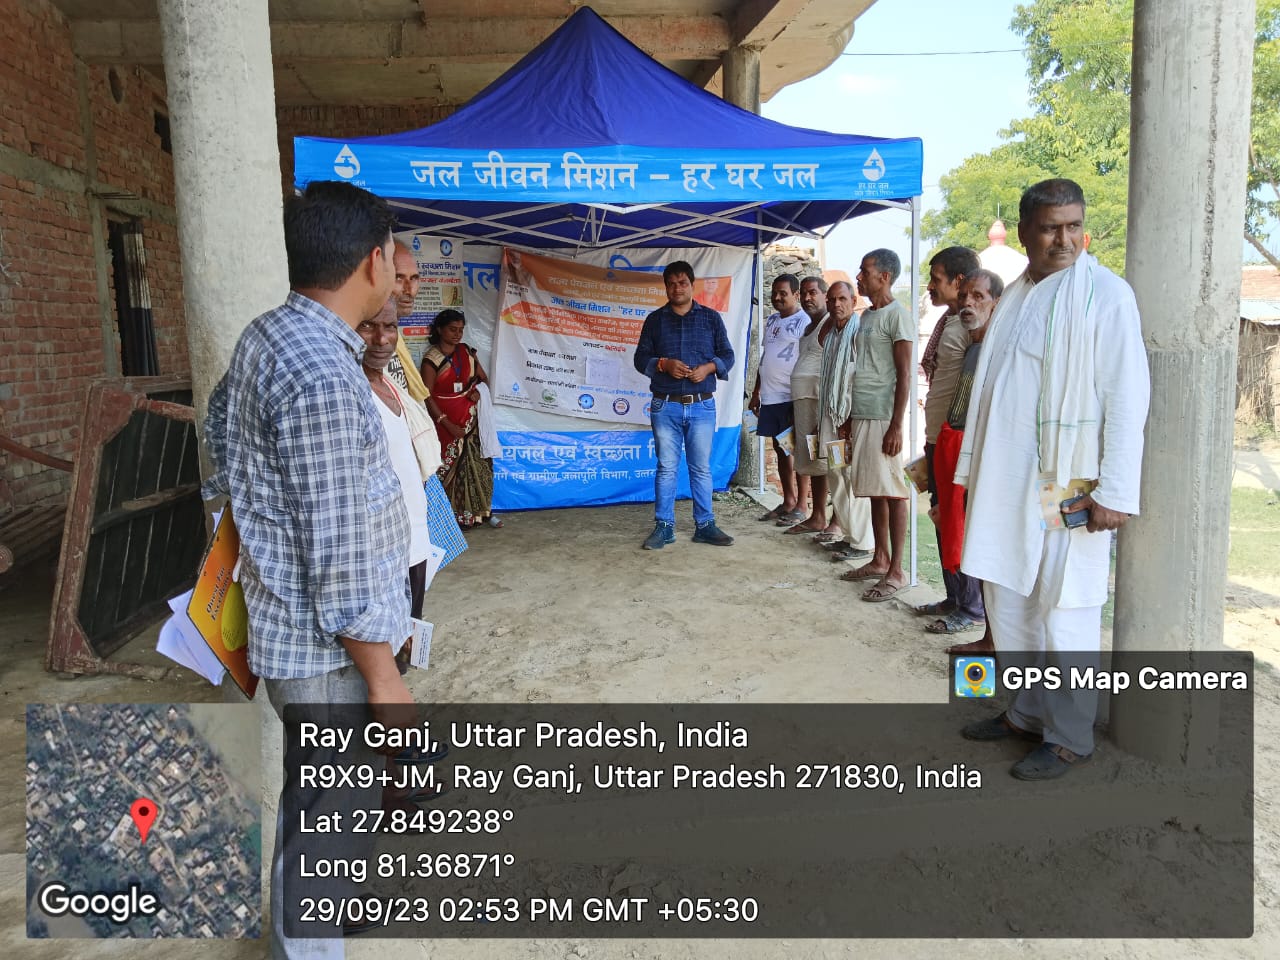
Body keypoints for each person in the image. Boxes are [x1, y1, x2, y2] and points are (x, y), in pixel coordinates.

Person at [202, 179, 413, 957]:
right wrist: (385, 678)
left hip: (297, 638)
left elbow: (220, 444)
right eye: (393, 260)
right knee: (329, 820)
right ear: (371, 262)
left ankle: (310, 928)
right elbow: (338, 552)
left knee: (318, 808)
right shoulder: (323, 373)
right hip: (328, 658)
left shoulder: (270, 335)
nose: (397, 277)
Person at [955, 178, 1150, 780]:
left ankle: (1069, 737)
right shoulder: (1016, 294)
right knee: (1009, 599)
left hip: (1070, 480)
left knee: (1066, 607)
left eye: (1073, 226)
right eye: (1050, 228)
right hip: (1007, 478)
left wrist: (1115, 491)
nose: (1064, 239)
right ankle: (1026, 712)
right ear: (1024, 233)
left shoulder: (1106, 295)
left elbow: (1128, 396)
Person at [632, 260, 736, 550]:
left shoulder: (711, 318)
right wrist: (663, 364)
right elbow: (640, 359)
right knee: (666, 468)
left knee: (700, 468)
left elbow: (728, 355)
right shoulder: (655, 320)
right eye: (672, 284)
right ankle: (664, 527)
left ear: (692, 285)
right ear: (666, 287)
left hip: (702, 406)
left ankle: (705, 525)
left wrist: (709, 368)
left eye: (682, 283)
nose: (677, 288)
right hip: (665, 406)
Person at [924, 269, 1002, 638]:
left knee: (968, 529)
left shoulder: (998, 350)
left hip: (977, 454)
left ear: (996, 304)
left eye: (978, 297)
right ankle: (959, 599)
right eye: (965, 296)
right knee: (950, 522)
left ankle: (973, 610)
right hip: (953, 446)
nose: (968, 303)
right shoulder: (973, 347)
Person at [917, 246, 986, 632]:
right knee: (940, 514)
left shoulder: (974, 324)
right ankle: (954, 596)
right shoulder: (949, 321)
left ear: (959, 281)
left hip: (956, 439)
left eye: (936, 278)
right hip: (937, 436)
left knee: (959, 518)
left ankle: (972, 607)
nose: (930, 286)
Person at [839, 250, 915, 601]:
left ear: (884, 276)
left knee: (893, 491)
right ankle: (880, 558)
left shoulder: (898, 316)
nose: (859, 277)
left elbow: (905, 374)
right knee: (874, 489)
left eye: (865, 271)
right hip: (864, 412)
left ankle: (896, 570)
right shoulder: (867, 316)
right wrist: (851, 416)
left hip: (885, 416)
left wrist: (897, 425)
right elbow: (863, 369)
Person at [420, 308, 502, 530]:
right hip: (444, 425)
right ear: (439, 330)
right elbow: (426, 396)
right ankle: (450, 519)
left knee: (479, 467)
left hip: (471, 421)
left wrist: (478, 392)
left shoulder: (466, 352)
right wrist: (446, 423)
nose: (457, 334)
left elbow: (483, 379)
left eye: (460, 330)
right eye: (452, 329)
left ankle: (482, 513)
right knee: (448, 470)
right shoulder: (431, 360)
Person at [815, 281, 874, 560]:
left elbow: (861, 379)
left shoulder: (858, 333)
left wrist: (849, 420)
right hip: (830, 416)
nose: (837, 304)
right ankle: (848, 535)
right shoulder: (832, 335)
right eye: (832, 299)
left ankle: (862, 542)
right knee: (836, 476)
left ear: (854, 300)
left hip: (848, 419)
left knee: (851, 477)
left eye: (842, 299)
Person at [750, 274, 810, 526]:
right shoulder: (773, 320)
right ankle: (788, 500)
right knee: (780, 450)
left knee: (797, 451)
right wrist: (757, 391)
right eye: (774, 293)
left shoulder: (805, 321)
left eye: (782, 293)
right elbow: (767, 357)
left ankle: (802, 506)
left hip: (791, 396)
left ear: (796, 295)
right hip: (771, 396)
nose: (776, 297)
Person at [786, 275, 839, 537]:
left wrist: (827, 410)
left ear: (825, 295)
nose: (807, 298)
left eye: (813, 292)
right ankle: (818, 516)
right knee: (815, 461)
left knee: (834, 462)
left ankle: (838, 521)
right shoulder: (810, 326)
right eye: (804, 293)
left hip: (822, 403)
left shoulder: (832, 324)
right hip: (805, 402)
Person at [384, 242, 433, 404]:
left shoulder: (395, 337)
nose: (409, 290)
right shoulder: (367, 340)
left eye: (414, 279)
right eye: (399, 278)